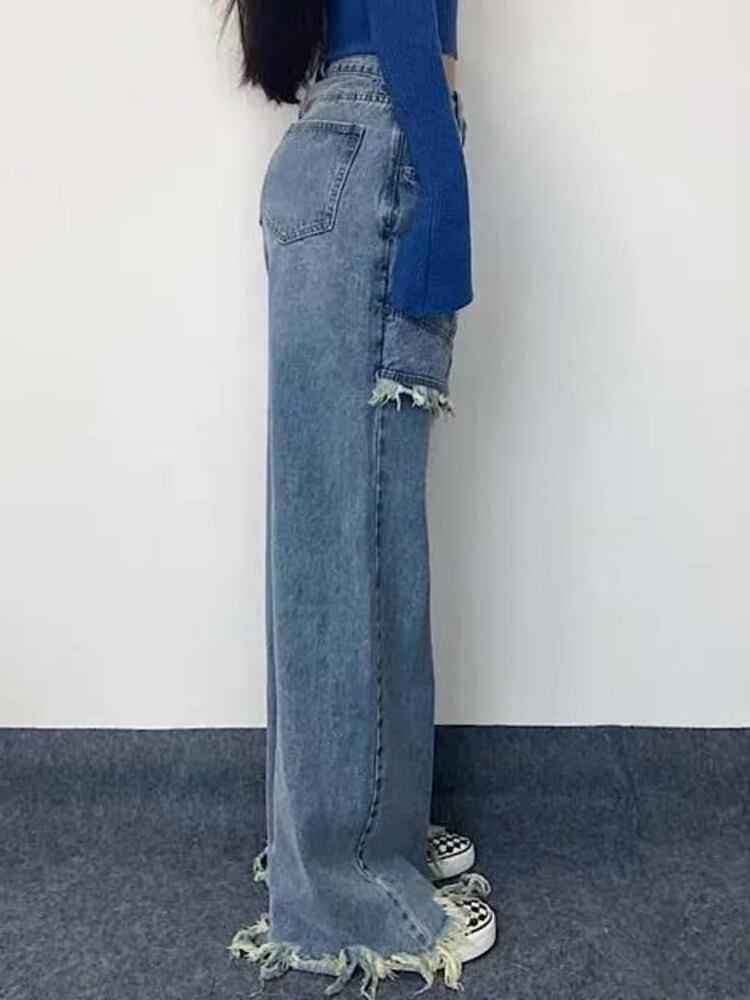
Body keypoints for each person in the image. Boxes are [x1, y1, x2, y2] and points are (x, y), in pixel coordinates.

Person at [223, 0, 497, 995]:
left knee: (335, 528)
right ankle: (351, 891)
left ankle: (360, 832)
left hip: (338, 151)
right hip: (385, 139)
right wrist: (446, 190)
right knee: (357, 536)